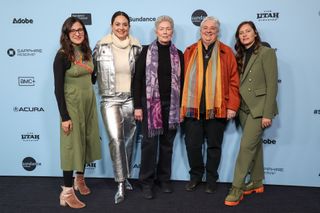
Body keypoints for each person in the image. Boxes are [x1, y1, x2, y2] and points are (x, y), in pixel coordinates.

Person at [180, 16, 240, 194]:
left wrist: (232, 106)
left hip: (218, 109)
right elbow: (180, 81)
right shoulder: (189, 51)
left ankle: (212, 178)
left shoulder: (226, 52)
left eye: (212, 28)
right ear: (200, 30)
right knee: (192, 145)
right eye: (205, 28)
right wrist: (180, 108)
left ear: (217, 31)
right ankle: (196, 176)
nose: (208, 31)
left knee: (214, 147)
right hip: (193, 110)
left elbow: (234, 81)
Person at [224, 21, 278, 206]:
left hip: (259, 109)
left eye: (248, 31)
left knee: (246, 148)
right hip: (243, 109)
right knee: (255, 147)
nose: (245, 35)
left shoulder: (266, 53)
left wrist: (267, 113)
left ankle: (237, 188)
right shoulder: (238, 55)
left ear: (255, 33)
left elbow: (272, 85)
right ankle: (256, 182)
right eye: (241, 33)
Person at [93, 11, 142, 204]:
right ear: (111, 26)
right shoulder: (101, 46)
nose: (121, 28)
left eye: (124, 25)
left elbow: (140, 77)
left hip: (130, 99)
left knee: (129, 140)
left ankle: (126, 176)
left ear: (129, 27)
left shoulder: (137, 48)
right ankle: (120, 182)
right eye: (117, 24)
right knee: (116, 140)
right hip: (110, 99)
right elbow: (91, 72)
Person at [133, 15, 184, 199]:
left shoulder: (179, 54)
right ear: (156, 31)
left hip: (171, 106)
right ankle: (146, 182)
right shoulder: (146, 51)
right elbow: (137, 79)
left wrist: (181, 108)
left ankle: (164, 179)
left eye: (168, 28)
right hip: (149, 106)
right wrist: (137, 106)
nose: (165, 31)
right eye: (161, 28)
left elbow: (183, 83)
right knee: (148, 145)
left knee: (167, 145)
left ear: (172, 31)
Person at [53, 17, 101, 209]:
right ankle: (66, 192)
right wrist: (64, 117)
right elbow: (57, 89)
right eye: (73, 31)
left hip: (88, 104)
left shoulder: (87, 51)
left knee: (85, 141)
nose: (78, 33)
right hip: (72, 106)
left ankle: (79, 180)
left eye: (80, 29)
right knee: (71, 146)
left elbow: (92, 79)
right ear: (66, 34)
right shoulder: (62, 55)